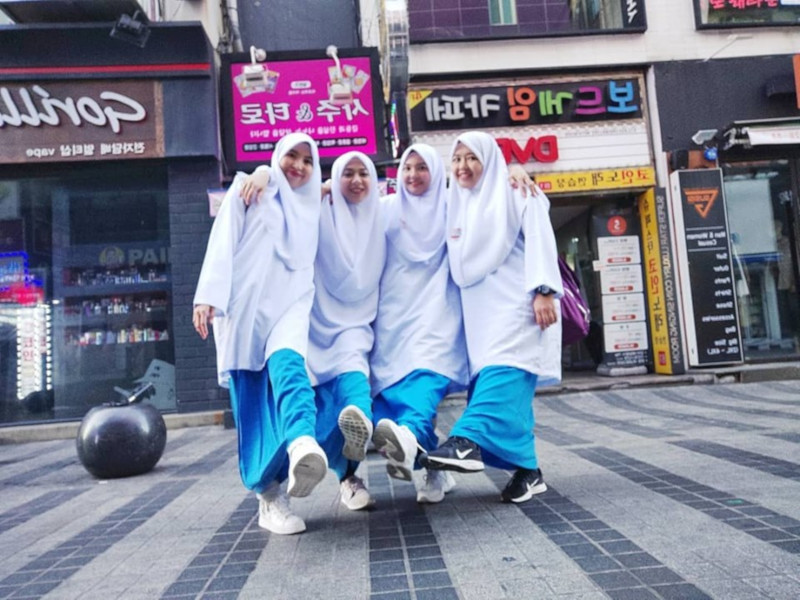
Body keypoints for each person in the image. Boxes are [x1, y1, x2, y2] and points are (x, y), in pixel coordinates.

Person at [192, 132, 328, 536]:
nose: (299, 166)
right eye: (291, 156)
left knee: (290, 369)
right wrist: (207, 297)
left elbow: (359, 192)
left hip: (291, 305)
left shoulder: (313, 206)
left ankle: (301, 440)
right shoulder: (248, 190)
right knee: (253, 406)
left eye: (308, 160)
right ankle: (268, 496)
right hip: (246, 313)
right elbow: (222, 240)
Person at [418, 130, 563, 504]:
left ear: (489, 161)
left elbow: (540, 233)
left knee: (504, 376)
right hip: (480, 318)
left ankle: (466, 441)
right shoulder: (455, 202)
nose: (463, 166)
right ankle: (528, 471)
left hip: (518, 306)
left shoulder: (515, 191)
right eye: (457, 159)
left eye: (473, 158)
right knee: (503, 389)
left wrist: (545, 290)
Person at [243, 150, 385, 512]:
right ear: (333, 178)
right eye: (347, 174)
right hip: (309, 324)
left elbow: (431, 204)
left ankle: (349, 470)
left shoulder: (384, 213)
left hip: (354, 325)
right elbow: (287, 191)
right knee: (303, 406)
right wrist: (263, 172)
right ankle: (279, 481)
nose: (356, 181)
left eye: (363, 173)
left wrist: (514, 177)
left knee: (352, 392)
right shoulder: (316, 205)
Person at [369, 144, 469, 504]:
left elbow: (492, 199)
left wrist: (515, 175)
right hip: (392, 320)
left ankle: (409, 441)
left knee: (423, 388)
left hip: (437, 315)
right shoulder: (385, 209)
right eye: (407, 167)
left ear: (436, 172)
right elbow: (343, 210)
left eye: (422, 167)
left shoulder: (453, 206)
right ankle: (433, 468)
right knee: (390, 400)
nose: (413, 175)